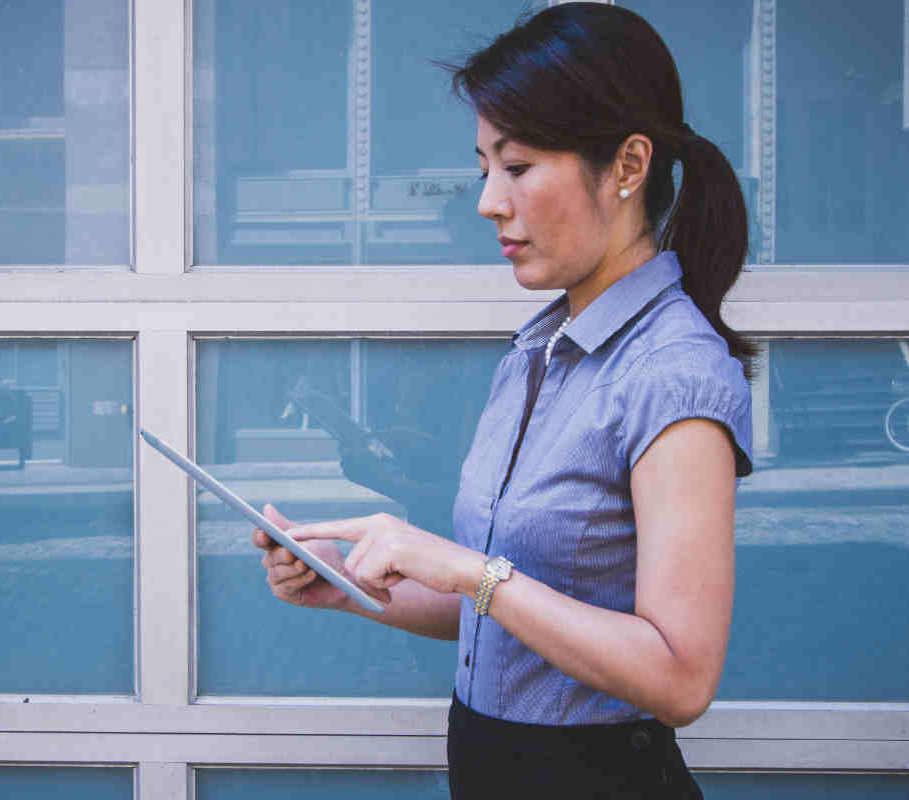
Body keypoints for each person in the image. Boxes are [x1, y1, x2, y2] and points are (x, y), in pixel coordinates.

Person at [253, 4, 753, 797]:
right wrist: (348, 588)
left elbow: (681, 677)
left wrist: (461, 565)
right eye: (484, 166)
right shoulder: (536, 350)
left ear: (627, 166)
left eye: (516, 168)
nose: (488, 200)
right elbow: (509, 611)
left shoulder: (673, 371)